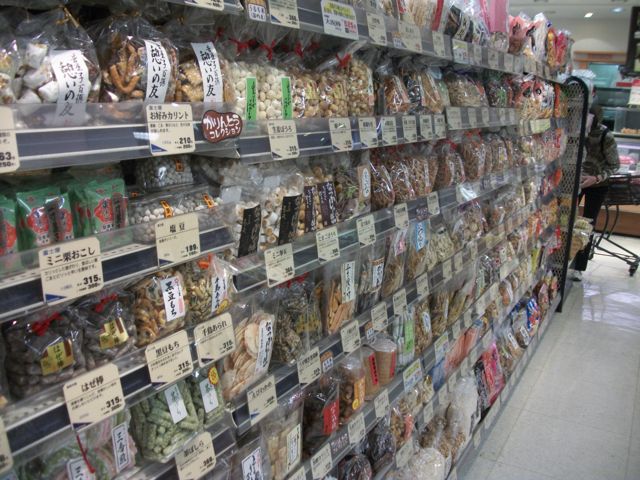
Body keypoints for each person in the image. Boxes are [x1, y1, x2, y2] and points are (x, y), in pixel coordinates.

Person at [573, 105, 620, 280]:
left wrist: (597, 178)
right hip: (575, 182)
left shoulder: (605, 136)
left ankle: (579, 265)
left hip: (598, 185)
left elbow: (615, 165)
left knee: (588, 224)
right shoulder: (575, 131)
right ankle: (564, 258)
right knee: (567, 218)